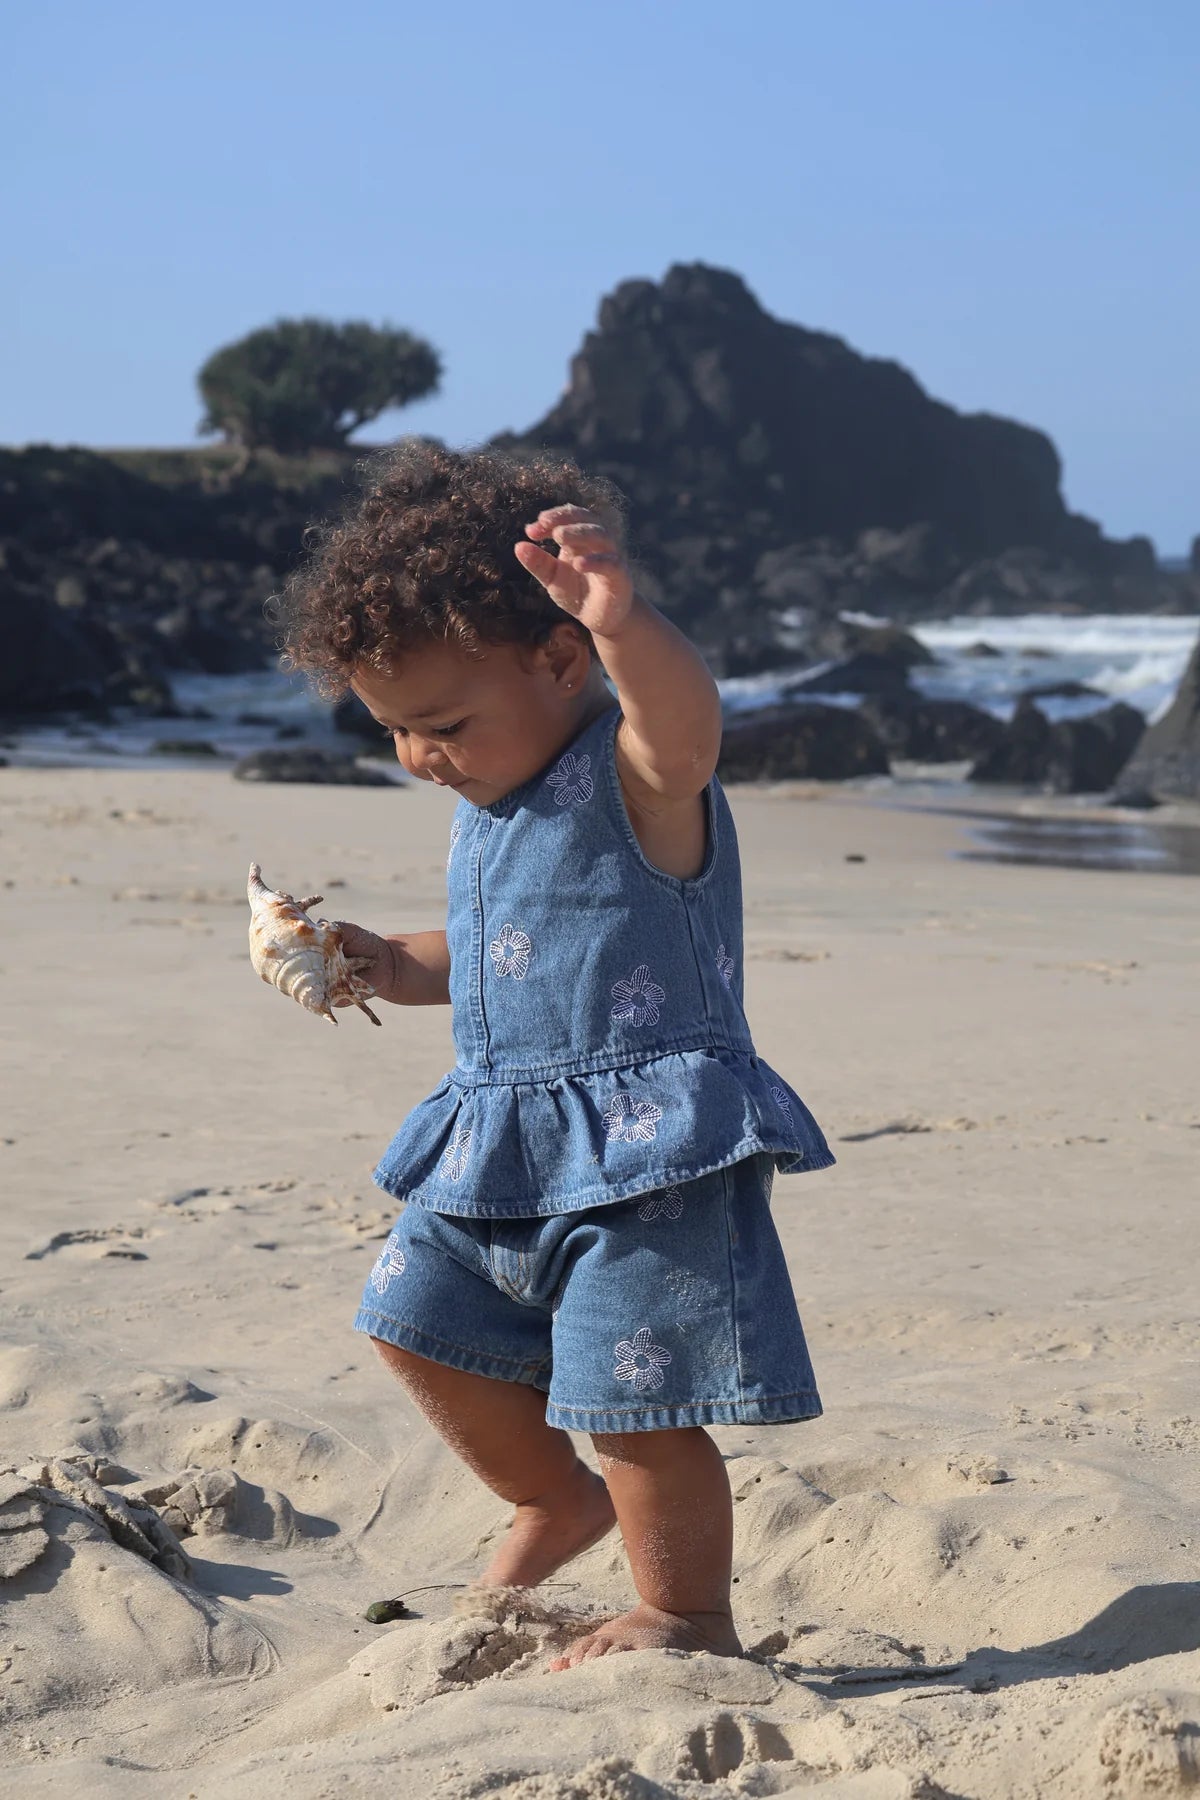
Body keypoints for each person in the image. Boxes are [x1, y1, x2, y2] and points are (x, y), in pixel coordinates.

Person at [275, 442, 834, 1668]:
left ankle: (685, 1612)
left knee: (636, 1400)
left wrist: (625, 622)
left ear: (560, 659)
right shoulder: (490, 808)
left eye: (442, 725)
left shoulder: (638, 780)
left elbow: (686, 732)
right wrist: (385, 962)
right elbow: (494, 955)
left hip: (648, 1159)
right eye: (393, 732)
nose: (421, 757)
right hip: (501, 1145)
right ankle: (552, 1500)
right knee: (410, 1316)